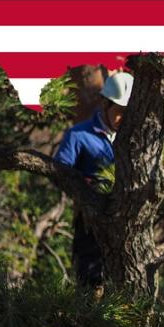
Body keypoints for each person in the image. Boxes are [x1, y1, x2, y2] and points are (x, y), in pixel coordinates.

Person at [53, 71, 134, 286]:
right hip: (91, 220)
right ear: (105, 104)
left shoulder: (136, 138)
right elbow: (59, 173)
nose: (122, 119)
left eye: (128, 112)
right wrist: (86, 186)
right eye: (119, 112)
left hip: (127, 220)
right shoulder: (78, 135)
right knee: (90, 279)